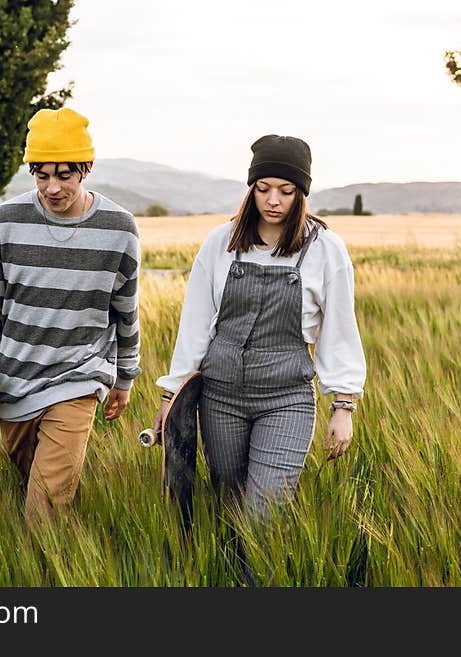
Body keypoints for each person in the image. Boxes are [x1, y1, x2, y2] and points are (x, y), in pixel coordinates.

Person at [154, 134, 366, 520]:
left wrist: (343, 405)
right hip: (220, 398)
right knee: (228, 508)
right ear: (251, 189)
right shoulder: (221, 243)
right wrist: (173, 397)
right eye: (263, 189)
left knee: (265, 515)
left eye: (286, 191)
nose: (273, 200)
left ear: (301, 194)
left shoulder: (325, 249)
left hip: (286, 400)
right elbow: (195, 325)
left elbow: (340, 330)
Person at [0, 107, 141, 525]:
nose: (52, 187)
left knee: (42, 510)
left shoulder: (119, 227)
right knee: (27, 484)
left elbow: (125, 309)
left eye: (64, 175)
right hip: (14, 379)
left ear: (87, 169)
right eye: (41, 174)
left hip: (78, 377)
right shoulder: (6, 221)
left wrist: (125, 377)